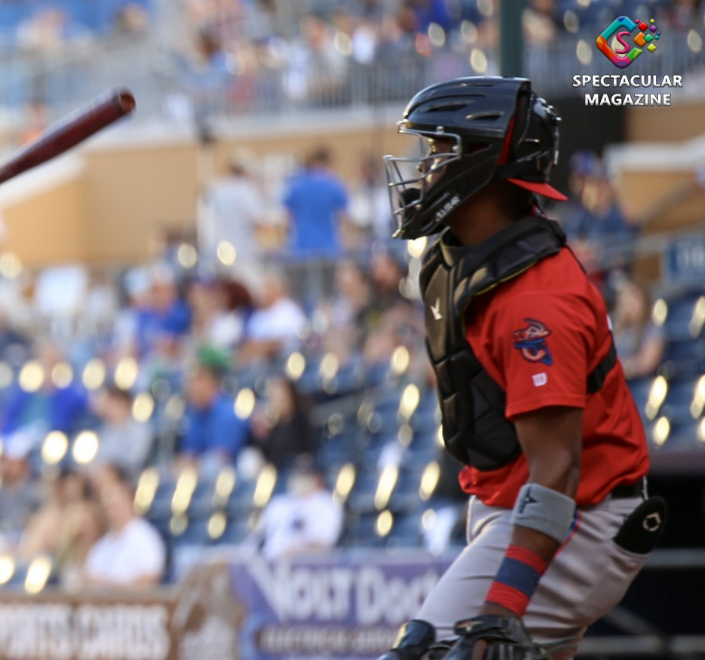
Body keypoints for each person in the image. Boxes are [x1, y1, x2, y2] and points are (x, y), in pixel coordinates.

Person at [378, 77, 663, 660]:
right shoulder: (462, 256)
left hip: (580, 514)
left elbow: (557, 467)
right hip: (518, 507)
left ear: (481, 163)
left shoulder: (536, 301)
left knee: (432, 652)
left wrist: (504, 604)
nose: (426, 168)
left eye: (441, 151)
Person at [245, 456, 343, 560]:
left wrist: (296, 551)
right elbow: (257, 538)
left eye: (305, 476)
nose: (299, 479)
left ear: (317, 478)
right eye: (297, 474)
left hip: (303, 567)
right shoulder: (278, 503)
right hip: (268, 564)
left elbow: (322, 544)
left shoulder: (326, 504)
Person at [82, 478, 166, 587]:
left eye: (116, 506)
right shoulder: (103, 543)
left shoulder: (146, 537)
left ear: (129, 503)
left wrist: (109, 586)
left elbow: (149, 578)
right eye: (108, 507)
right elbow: (89, 577)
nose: (111, 512)